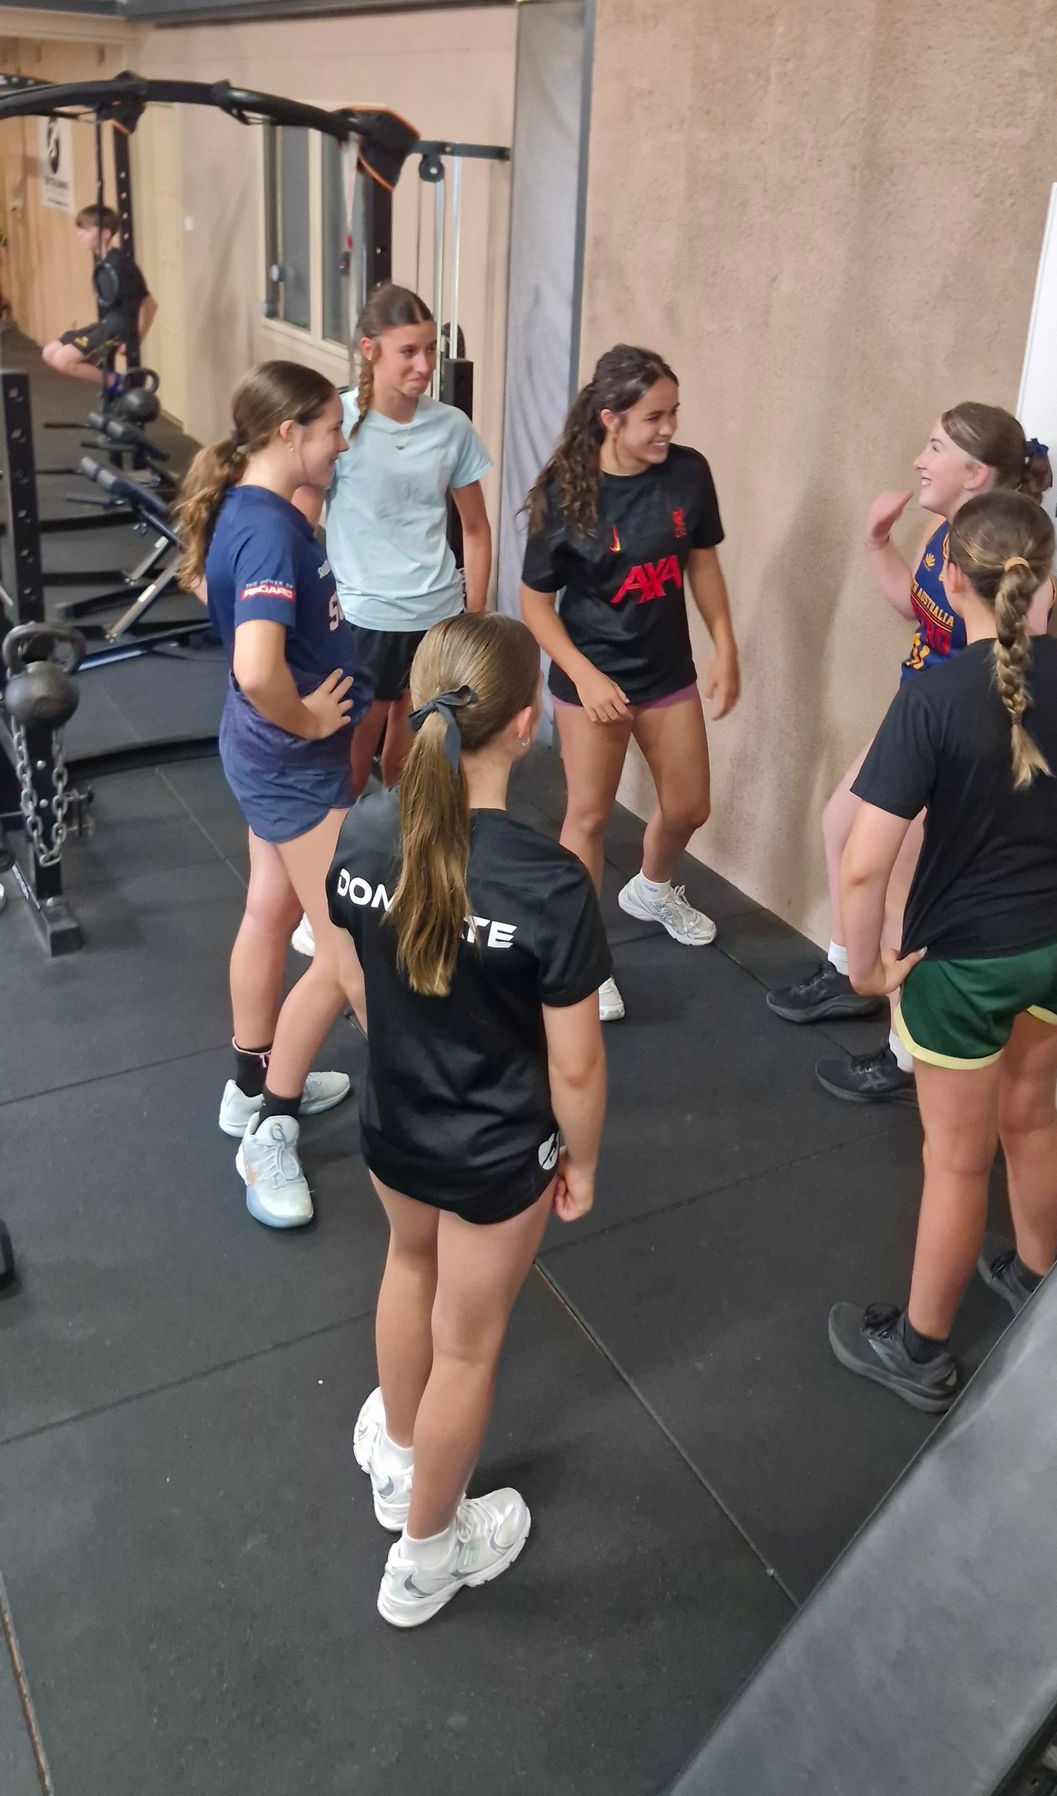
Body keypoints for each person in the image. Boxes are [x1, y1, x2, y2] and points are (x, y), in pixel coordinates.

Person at [825, 490, 1057, 1412]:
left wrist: (864, 969)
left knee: (957, 1160)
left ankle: (919, 1350)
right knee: (1032, 1115)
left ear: (952, 582)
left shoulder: (930, 698)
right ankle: (1037, 1282)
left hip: (963, 964)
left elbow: (862, 866)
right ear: (1047, 585)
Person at [330, 613, 608, 1627]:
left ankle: (401, 1463)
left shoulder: (363, 829)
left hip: (393, 1125)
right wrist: (581, 1161)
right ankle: (424, 1561)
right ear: (527, 725)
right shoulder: (547, 880)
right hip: (494, 1155)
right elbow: (576, 1063)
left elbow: (353, 977)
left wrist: (412, 1055)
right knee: (467, 1345)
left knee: (408, 1265)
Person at [766, 405, 1053, 1104]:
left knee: (900, 888)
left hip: (955, 733)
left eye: (934, 449)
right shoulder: (941, 530)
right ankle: (848, 972)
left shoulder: (1015, 560)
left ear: (975, 474)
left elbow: (1029, 643)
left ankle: (903, 1052)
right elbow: (918, 606)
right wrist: (875, 543)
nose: (920, 461)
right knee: (840, 825)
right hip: (914, 710)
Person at [175, 360, 371, 1230]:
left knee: (269, 909)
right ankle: (271, 1129)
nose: (342, 444)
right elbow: (258, 670)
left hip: (269, 755)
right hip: (290, 762)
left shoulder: (259, 508)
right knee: (347, 951)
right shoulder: (263, 529)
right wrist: (310, 720)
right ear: (289, 433)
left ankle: (248, 1085)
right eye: (331, 430)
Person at [519, 344, 740, 1024]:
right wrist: (584, 677)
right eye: (653, 417)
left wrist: (725, 645)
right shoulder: (565, 492)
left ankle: (651, 888)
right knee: (588, 817)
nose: (668, 428)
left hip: (665, 670)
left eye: (674, 413)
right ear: (611, 418)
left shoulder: (688, 474)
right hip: (592, 677)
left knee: (688, 806)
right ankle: (586, 963)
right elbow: (535, 604)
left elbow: (701, 564)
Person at [286, 281, 493, 961]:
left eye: (431, 350)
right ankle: (322, 899)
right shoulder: (339, 425)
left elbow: (475, 530)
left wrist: (474, 620)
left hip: (436, 617)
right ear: (370, 350)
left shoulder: (451, 427)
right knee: (348, 767)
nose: (425, 365)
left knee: (414, 765)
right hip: (364, 620)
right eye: (409, 351)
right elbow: (300, 526)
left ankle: (394, 881)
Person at [42, 203, 156, 391]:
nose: (79, 235)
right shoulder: (101, 261)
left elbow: (150, 304)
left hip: (119, 327)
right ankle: (108, 378)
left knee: (63, 360)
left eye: (86, 230)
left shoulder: (120, 264)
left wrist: (135, 339)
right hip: (106, 323)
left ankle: (118, 384)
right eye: (80, 229)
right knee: (50, 352)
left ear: (105, 234)